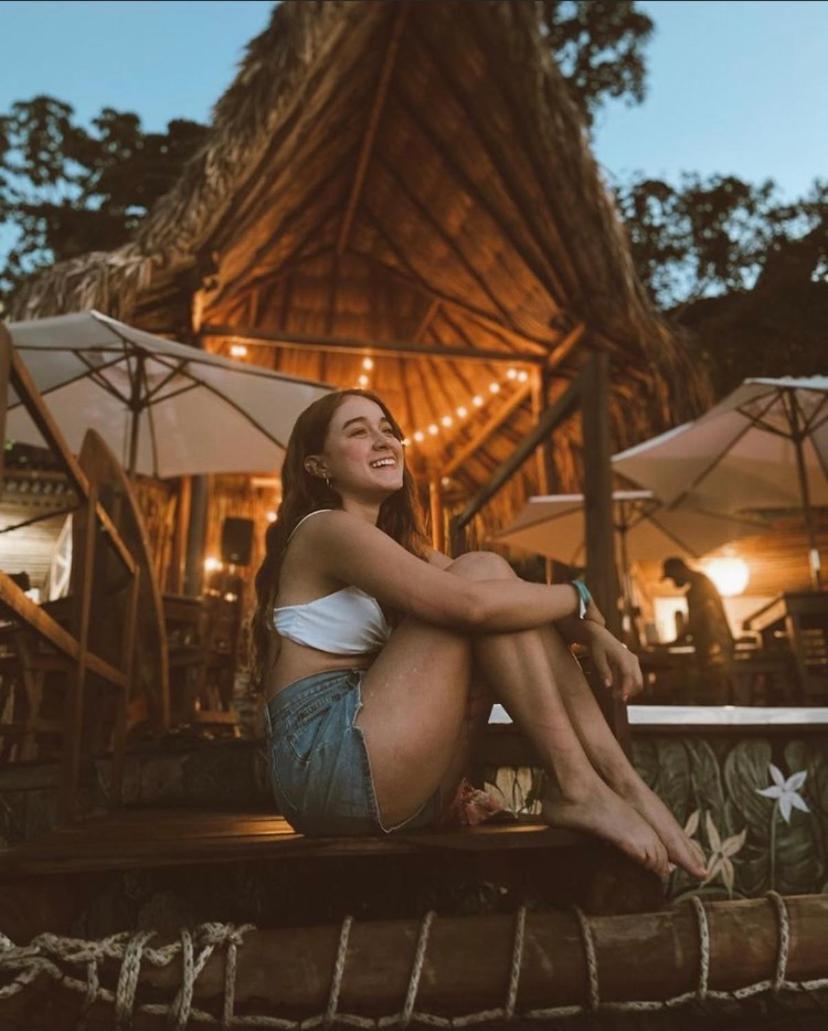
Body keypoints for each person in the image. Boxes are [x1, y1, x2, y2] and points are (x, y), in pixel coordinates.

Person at [252, 390, 706, 880]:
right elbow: (472, 604)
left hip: (401, 781)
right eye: (358, 432)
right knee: (480, 577)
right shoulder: (324, 530)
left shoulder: (398, 545)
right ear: (319, 466)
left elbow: (502, 598)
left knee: (490, 577)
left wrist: (594, 632)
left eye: (388, 429)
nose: (383, 440)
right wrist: (579, 597)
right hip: (324, 765)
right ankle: (579, 786)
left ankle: (620, 784)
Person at [661, 556, 736, 703]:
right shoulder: (701, 583)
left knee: (716, 693)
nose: (673, 582)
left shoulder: (699, 587)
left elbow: (696, 620)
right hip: (715, 647)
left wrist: (675, 642)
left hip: (713, 649)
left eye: (672, 577)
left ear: (679, 570)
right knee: (720, 690)